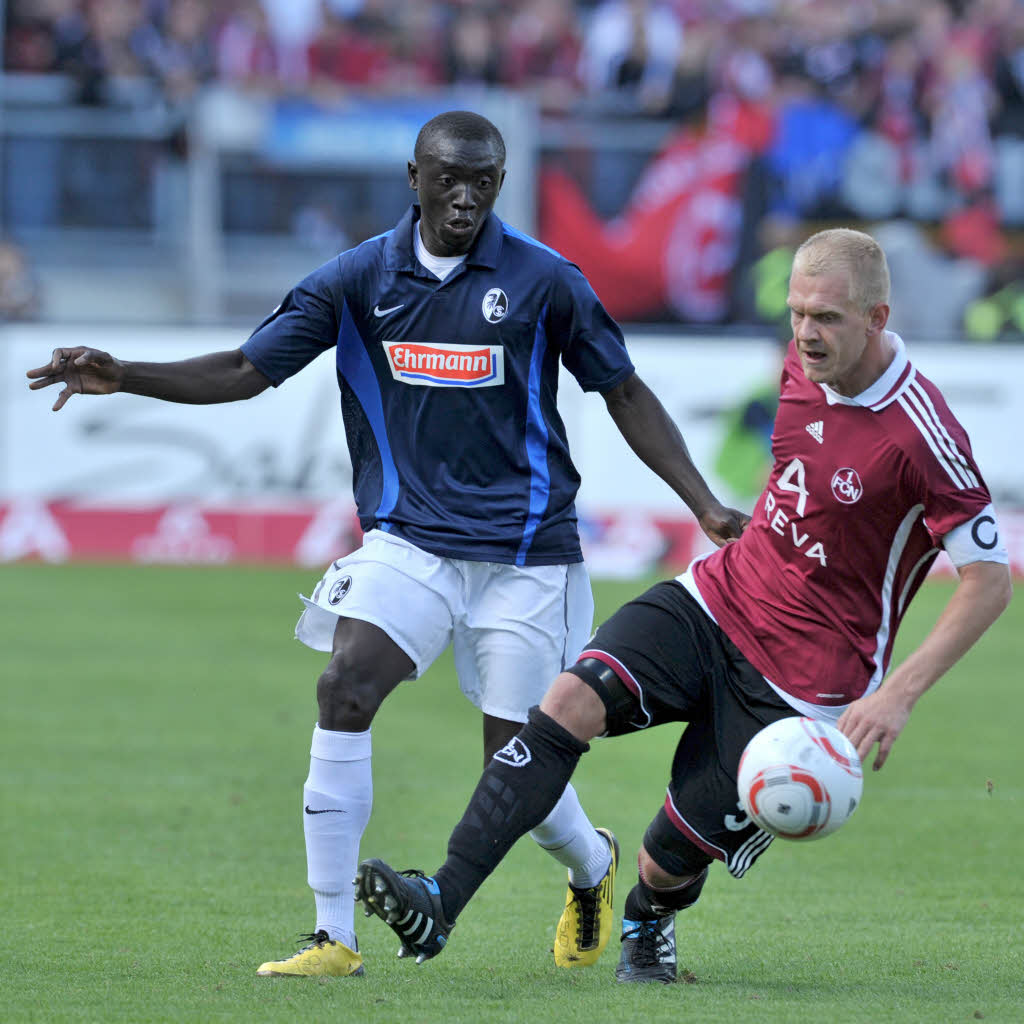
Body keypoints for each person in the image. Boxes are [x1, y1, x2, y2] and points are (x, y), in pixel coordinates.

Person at [26, 110, 748, 979]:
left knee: (514, 768)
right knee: (345, 683)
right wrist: (125, 374)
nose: (465, 198)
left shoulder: (545, 279)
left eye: (483, 182)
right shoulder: (359, 278)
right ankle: (334, 936)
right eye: (449, 179)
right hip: (411, 543)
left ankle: (590, 867)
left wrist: (702, 501)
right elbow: (247, 370)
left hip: (528, 555)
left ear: (500, 184)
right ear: (414, 177)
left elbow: (624, 392)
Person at [355, 227, 1013, 983]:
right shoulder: (797, 369)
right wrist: (717, 512)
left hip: (805, 682)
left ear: (877, 315)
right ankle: (439, 900)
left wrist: (897, 695)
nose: (806, 333)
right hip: (718, 598)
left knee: (665, 858)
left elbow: (989, 579)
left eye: (827, 317)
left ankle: (646, 920)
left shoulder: (922, 432)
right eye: (797, 313)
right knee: (569, 701)